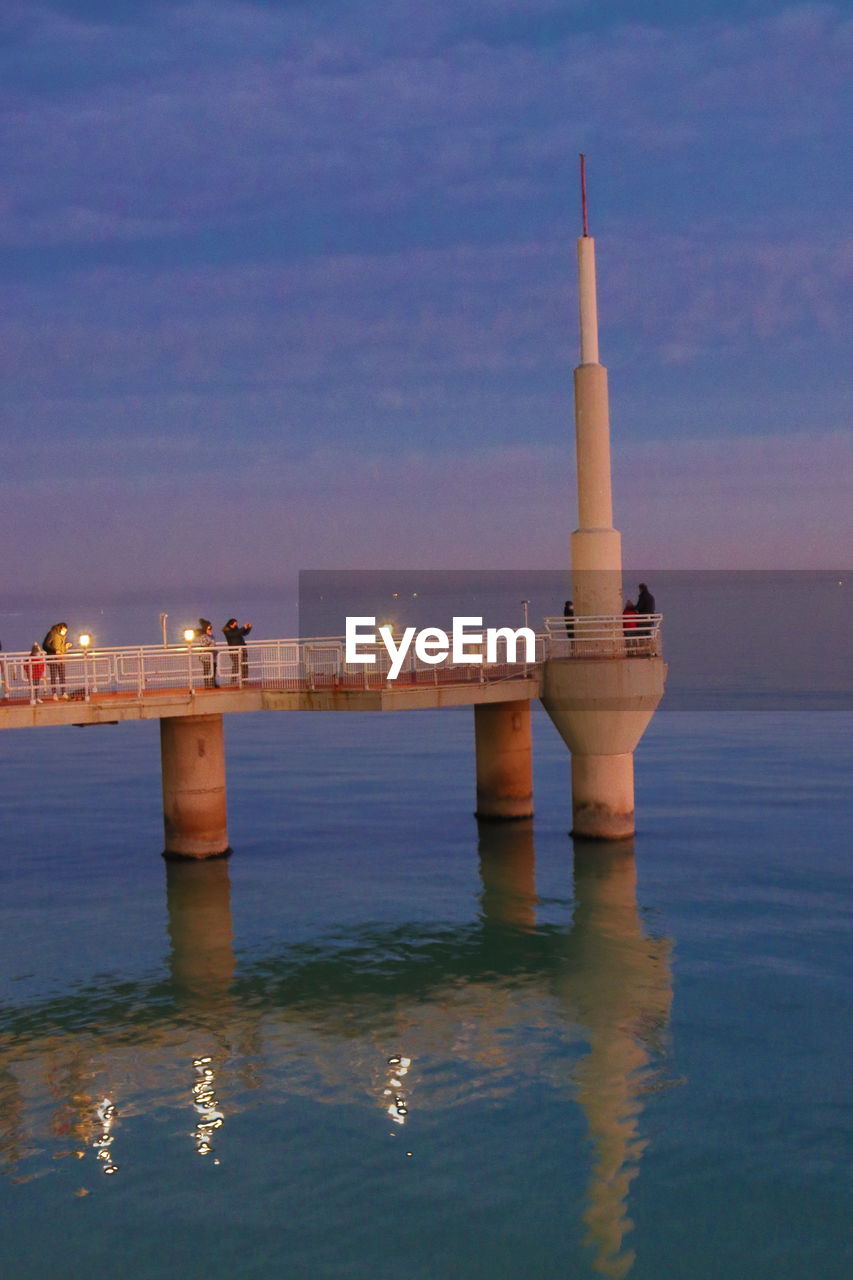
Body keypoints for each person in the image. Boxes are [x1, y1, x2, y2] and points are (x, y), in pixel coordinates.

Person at [43, 622, 73, 698]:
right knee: (53, 676)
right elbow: (45, 645)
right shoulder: (52, 633)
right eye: (63, 630)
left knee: (62, 676)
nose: (64, 632)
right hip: (53, 658)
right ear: (59, 628)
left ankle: (63, 692)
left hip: (61, 658)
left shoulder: (63, 636)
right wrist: (54, 650)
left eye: (65, 631)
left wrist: (66, 645)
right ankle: (54, 694)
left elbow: (62, 647)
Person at [222, 618, 252, 683]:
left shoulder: (236, 629)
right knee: (236, 665)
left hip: (242, 649)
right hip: (234, 650)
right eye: (235, 623)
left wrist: (248, 628)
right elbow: (234, 634)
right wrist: (243, 627)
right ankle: (233, 681)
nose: (236, 625)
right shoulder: (227, 631)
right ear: (231, 624)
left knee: (244, 665)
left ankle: (244, 680)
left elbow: (243, 633)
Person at [196, 619, 218, 689]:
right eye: (208, 628)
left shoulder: (211, 636)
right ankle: (207, 685)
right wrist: (211, 641)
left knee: (214, 669)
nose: (210, 630)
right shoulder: (203, 636)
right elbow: (205, 645)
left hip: (212, 657)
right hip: (206, 657)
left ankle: (213, 683)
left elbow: (213, 644)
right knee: (206, 670)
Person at [636, 583, 656, 652]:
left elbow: (639, 607)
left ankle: (643, 649)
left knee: (641, 633)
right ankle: (650, 648)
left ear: (641, 589)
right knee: (648, 633)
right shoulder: (651, 597)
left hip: (643, 618)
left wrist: (631, 608)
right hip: (650, 618)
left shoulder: (642, 596)